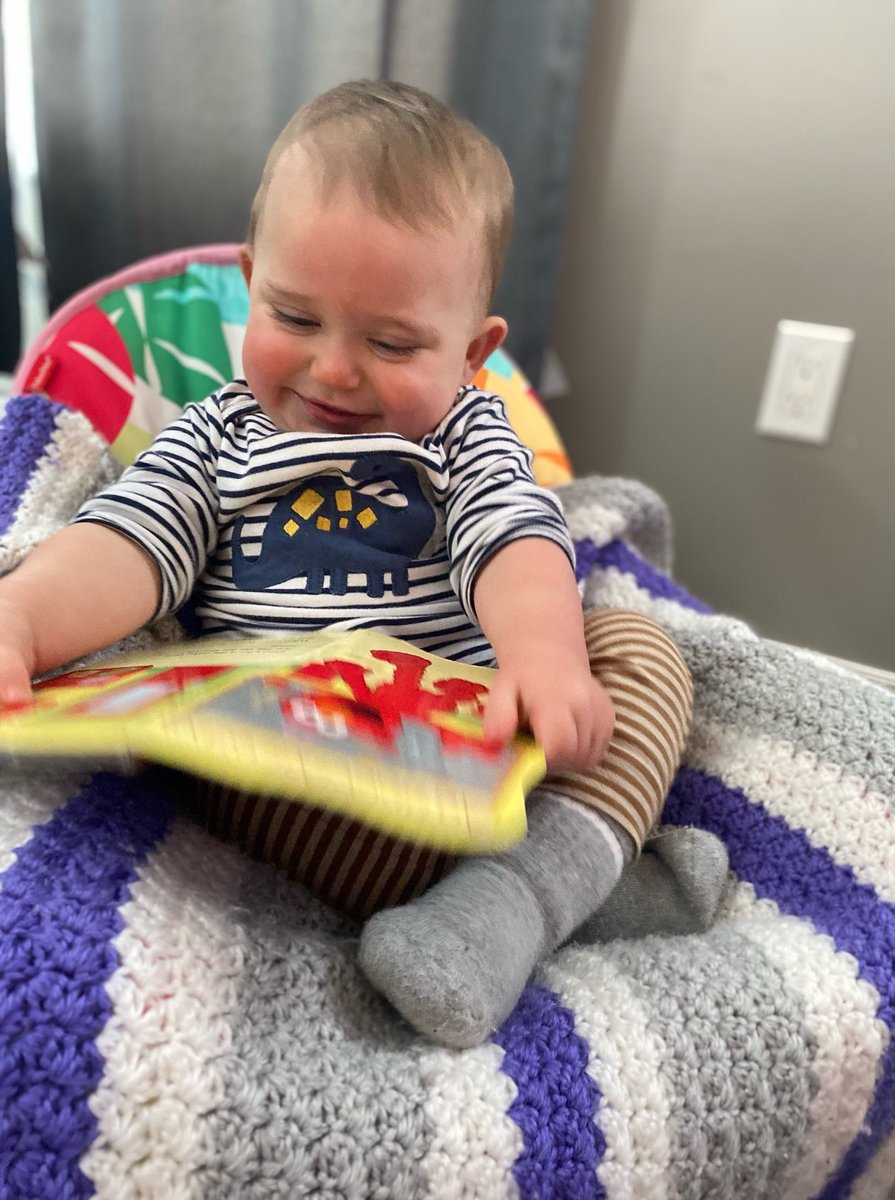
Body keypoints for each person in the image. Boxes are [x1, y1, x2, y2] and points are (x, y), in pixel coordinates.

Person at [0, 80, 725, 1048]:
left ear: (472, 352)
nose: (335, 370)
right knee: (222, 771)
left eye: (392, 342)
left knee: (640, 649)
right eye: (294, 319)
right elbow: (121, 546)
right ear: (252, 282)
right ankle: (579, 889)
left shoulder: (466, 433)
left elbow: (516, 540)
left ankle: (512, 898)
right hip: (310, 764)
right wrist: (22, 619)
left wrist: (546, 657)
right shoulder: (216, 439)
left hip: (480, 734)